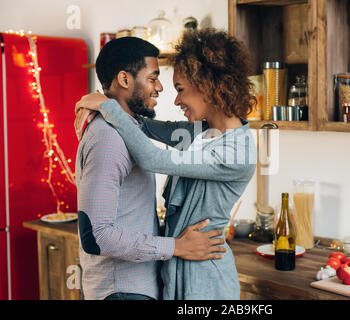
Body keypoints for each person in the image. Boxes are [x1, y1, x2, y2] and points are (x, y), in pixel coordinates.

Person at [75, 28, 257, 300]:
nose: (173, 98)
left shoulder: (235, 150)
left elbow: (153, 157)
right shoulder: (204, 133)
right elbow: (148, 127)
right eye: (154, 79)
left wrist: (108, 106)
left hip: (205, 278)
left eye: (180, 89)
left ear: (207, 85)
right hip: (171, 271)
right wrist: (103, 105)